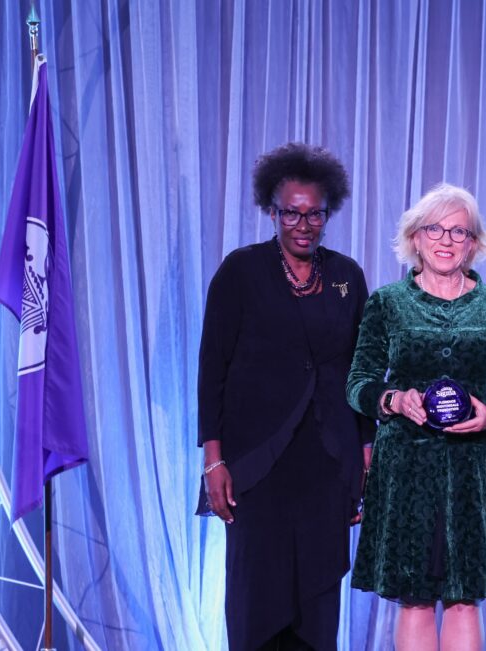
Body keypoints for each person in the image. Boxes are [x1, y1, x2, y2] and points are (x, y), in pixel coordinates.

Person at [197, 142, 374, 651]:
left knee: (318, 608)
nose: (303, 224)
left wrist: (366, 450)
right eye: (290, 213)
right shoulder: (241, 272)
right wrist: (213, 462)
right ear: (272, 212)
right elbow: (212, 371)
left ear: (327, 213)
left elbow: (361, 369)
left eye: (313, 213)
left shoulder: (346, 276)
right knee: (257, 601)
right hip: (256, 465)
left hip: (328, 463)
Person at [346, 183, 486, 651]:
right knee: (415, 598)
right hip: (407, 468)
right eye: (435, 229)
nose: (446, 240)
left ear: (474, 243)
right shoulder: (387, 303)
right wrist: (393, 399)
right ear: (416, 237)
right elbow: (359, 382)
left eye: (458, 232)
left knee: (465, 598)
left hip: (475, 470)